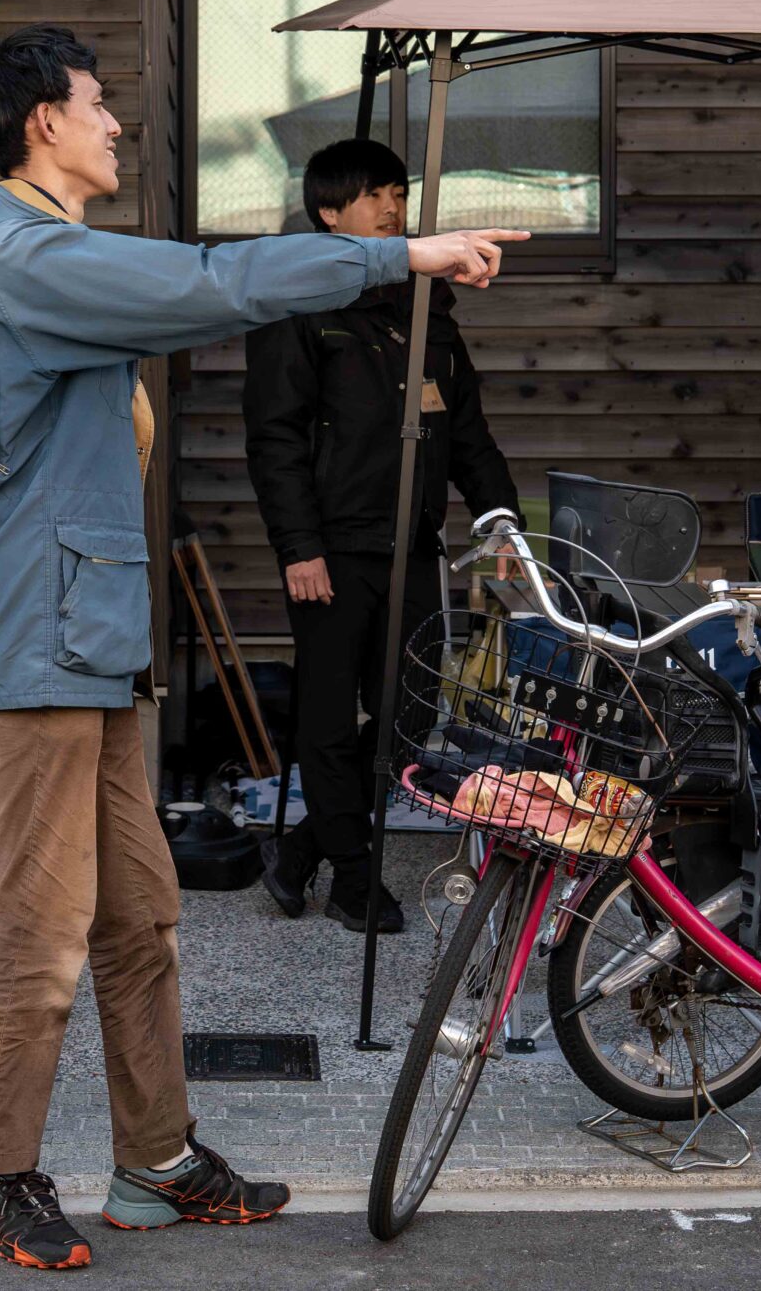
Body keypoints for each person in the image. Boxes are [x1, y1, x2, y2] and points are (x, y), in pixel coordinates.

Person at [0, 26, 524, 1270]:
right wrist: (392, 253)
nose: (115, 124)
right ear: (43, 122)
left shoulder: (39, 256)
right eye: (98, 105)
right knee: (39, 925)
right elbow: (208, 288)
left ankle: (156, 1162)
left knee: (139, 913)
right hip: (44, 629)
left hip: (75, 627)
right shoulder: (19, 257)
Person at [243, 138, 524, 934]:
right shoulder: (299, 305)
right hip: (330, 551)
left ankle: (304, 849)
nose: (394, 207)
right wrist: (297, 545)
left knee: (408, 717)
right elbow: (275, 437)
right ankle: (356, 880)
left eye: (400, 192)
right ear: (330, 212)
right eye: (374, 195)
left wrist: (501, 517)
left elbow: (468, 432)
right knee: (329, 723)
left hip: (416, 547)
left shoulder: (428, 306)